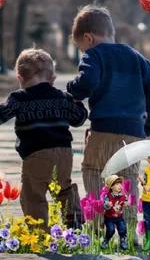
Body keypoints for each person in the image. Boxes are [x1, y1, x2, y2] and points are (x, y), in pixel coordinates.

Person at [66, 4, 150, 241]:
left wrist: (72, 89)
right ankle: (129, 233)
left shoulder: (94, 55)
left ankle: (96, 228)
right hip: (134, 133)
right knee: (127, 182)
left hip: (104, 129)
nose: (82, 51)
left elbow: (86, 83)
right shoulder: (138, 58)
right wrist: (148, 127)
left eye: (80, 47)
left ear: (88, 38)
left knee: (94, 172)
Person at [0, 48, 88, 232]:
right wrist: (76, 101)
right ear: (52, 78)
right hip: (64, 153)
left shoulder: (18, 98)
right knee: (64, 188)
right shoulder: (62, 97)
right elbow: (79, 118)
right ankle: (74, 219)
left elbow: (2, 114)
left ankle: (40, 231)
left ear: (19, 77)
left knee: (33, 194)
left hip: (36, 153)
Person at [101, 175, 128, 250]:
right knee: (111, 230)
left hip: (119, 217)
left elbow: (126, 200)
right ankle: (106, 241)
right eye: (117, 184)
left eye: (120, 184)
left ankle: (123, 241)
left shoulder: (123, 194)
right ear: (111, 187)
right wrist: (107, 204)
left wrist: (126, 203)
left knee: (122, 229)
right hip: (109, 217)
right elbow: (104, 206)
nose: (120, 186)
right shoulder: (108, 196)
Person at [138, 153, 150, 251]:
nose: (148, 160)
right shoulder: (147, 170)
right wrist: (142, 181)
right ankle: (149, 240)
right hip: (146, 199)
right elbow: (145, 183)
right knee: (148, 220)